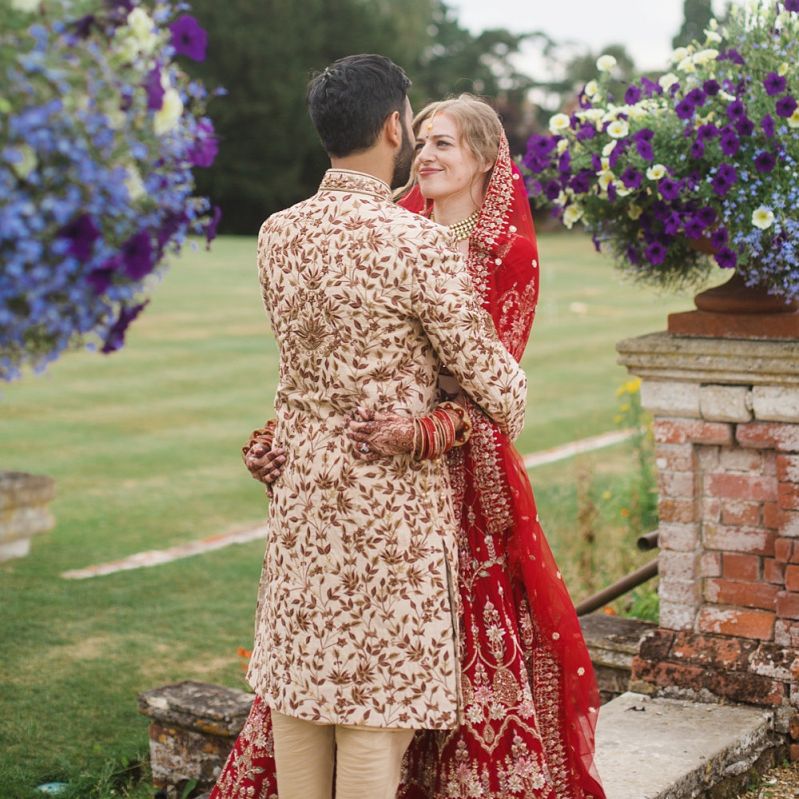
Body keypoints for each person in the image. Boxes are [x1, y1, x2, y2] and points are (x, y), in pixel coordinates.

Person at [218, 94, 606, 799]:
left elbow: (467, 393)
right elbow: (497, 387)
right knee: (377, 691)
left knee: (338, 684)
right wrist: (282, 433)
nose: (425, 154)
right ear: (392, 130)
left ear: (485, 159)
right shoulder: (408, 234)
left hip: (450, 477)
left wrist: (424, 429)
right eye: (421, 138)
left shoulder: (288, 230)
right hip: (395, 501)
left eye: (444, 143)